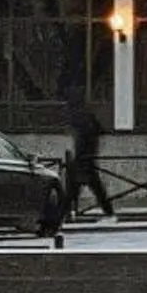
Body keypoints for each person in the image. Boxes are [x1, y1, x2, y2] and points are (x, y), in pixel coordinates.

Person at [63, 93, 115, 221]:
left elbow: (80, 143)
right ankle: (109, 213)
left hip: (82, 160)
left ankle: (68, 213)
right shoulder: (89, 120)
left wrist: (77, 156)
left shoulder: (80, 122)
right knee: (94, 188)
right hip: (87, 159)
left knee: (73, 190)